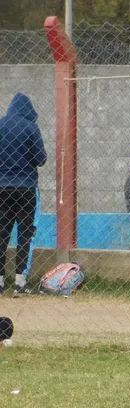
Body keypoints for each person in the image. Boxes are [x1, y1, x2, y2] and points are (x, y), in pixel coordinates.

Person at [0, 93, 46, 297]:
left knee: (2, 234)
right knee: (25, 234)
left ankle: (0, 283)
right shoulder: (30, 126)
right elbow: (41, 158)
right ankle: (20, 283)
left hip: (2, 187)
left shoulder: (1, 125)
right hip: (26, 187)